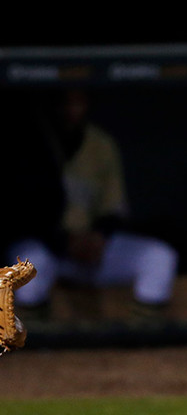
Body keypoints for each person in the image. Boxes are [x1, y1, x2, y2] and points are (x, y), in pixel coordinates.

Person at [5, 89, 178, 318]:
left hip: (90, 251)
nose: (70, 111)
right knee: (29, 262)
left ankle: (143, 334)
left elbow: (114, 210)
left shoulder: (100, 144)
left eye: (77, 103)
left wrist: (99, 237)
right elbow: (17, 217)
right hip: (48, 248)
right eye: (63, 104)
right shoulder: (23, 145)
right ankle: (35, 333)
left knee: (160, 256)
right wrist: (62, 241)